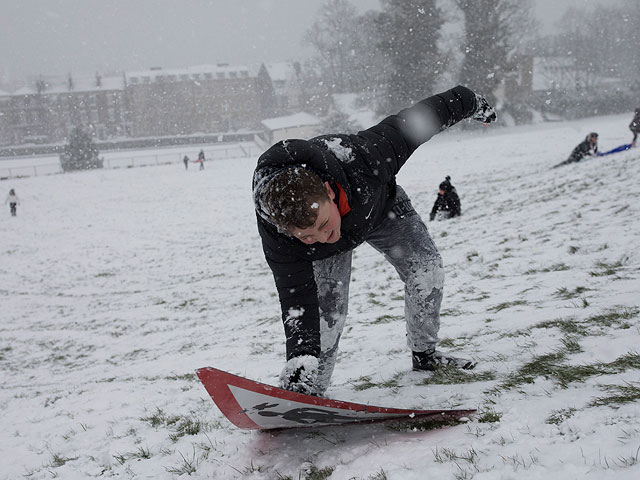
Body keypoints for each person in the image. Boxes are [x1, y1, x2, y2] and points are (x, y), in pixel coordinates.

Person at [252, 85, 497, 396]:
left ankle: (426, 357)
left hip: (380, 208)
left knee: (427, 269)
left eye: (323, 224)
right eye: (306, 236)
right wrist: (300, 355)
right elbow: (297, 299)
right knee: (326, 315)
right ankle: (307, 391)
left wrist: (470, 101)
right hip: (344, 227)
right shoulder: (280, 234)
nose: (320, 238)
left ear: (329, 191)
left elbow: (422, 118)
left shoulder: (366, 156)